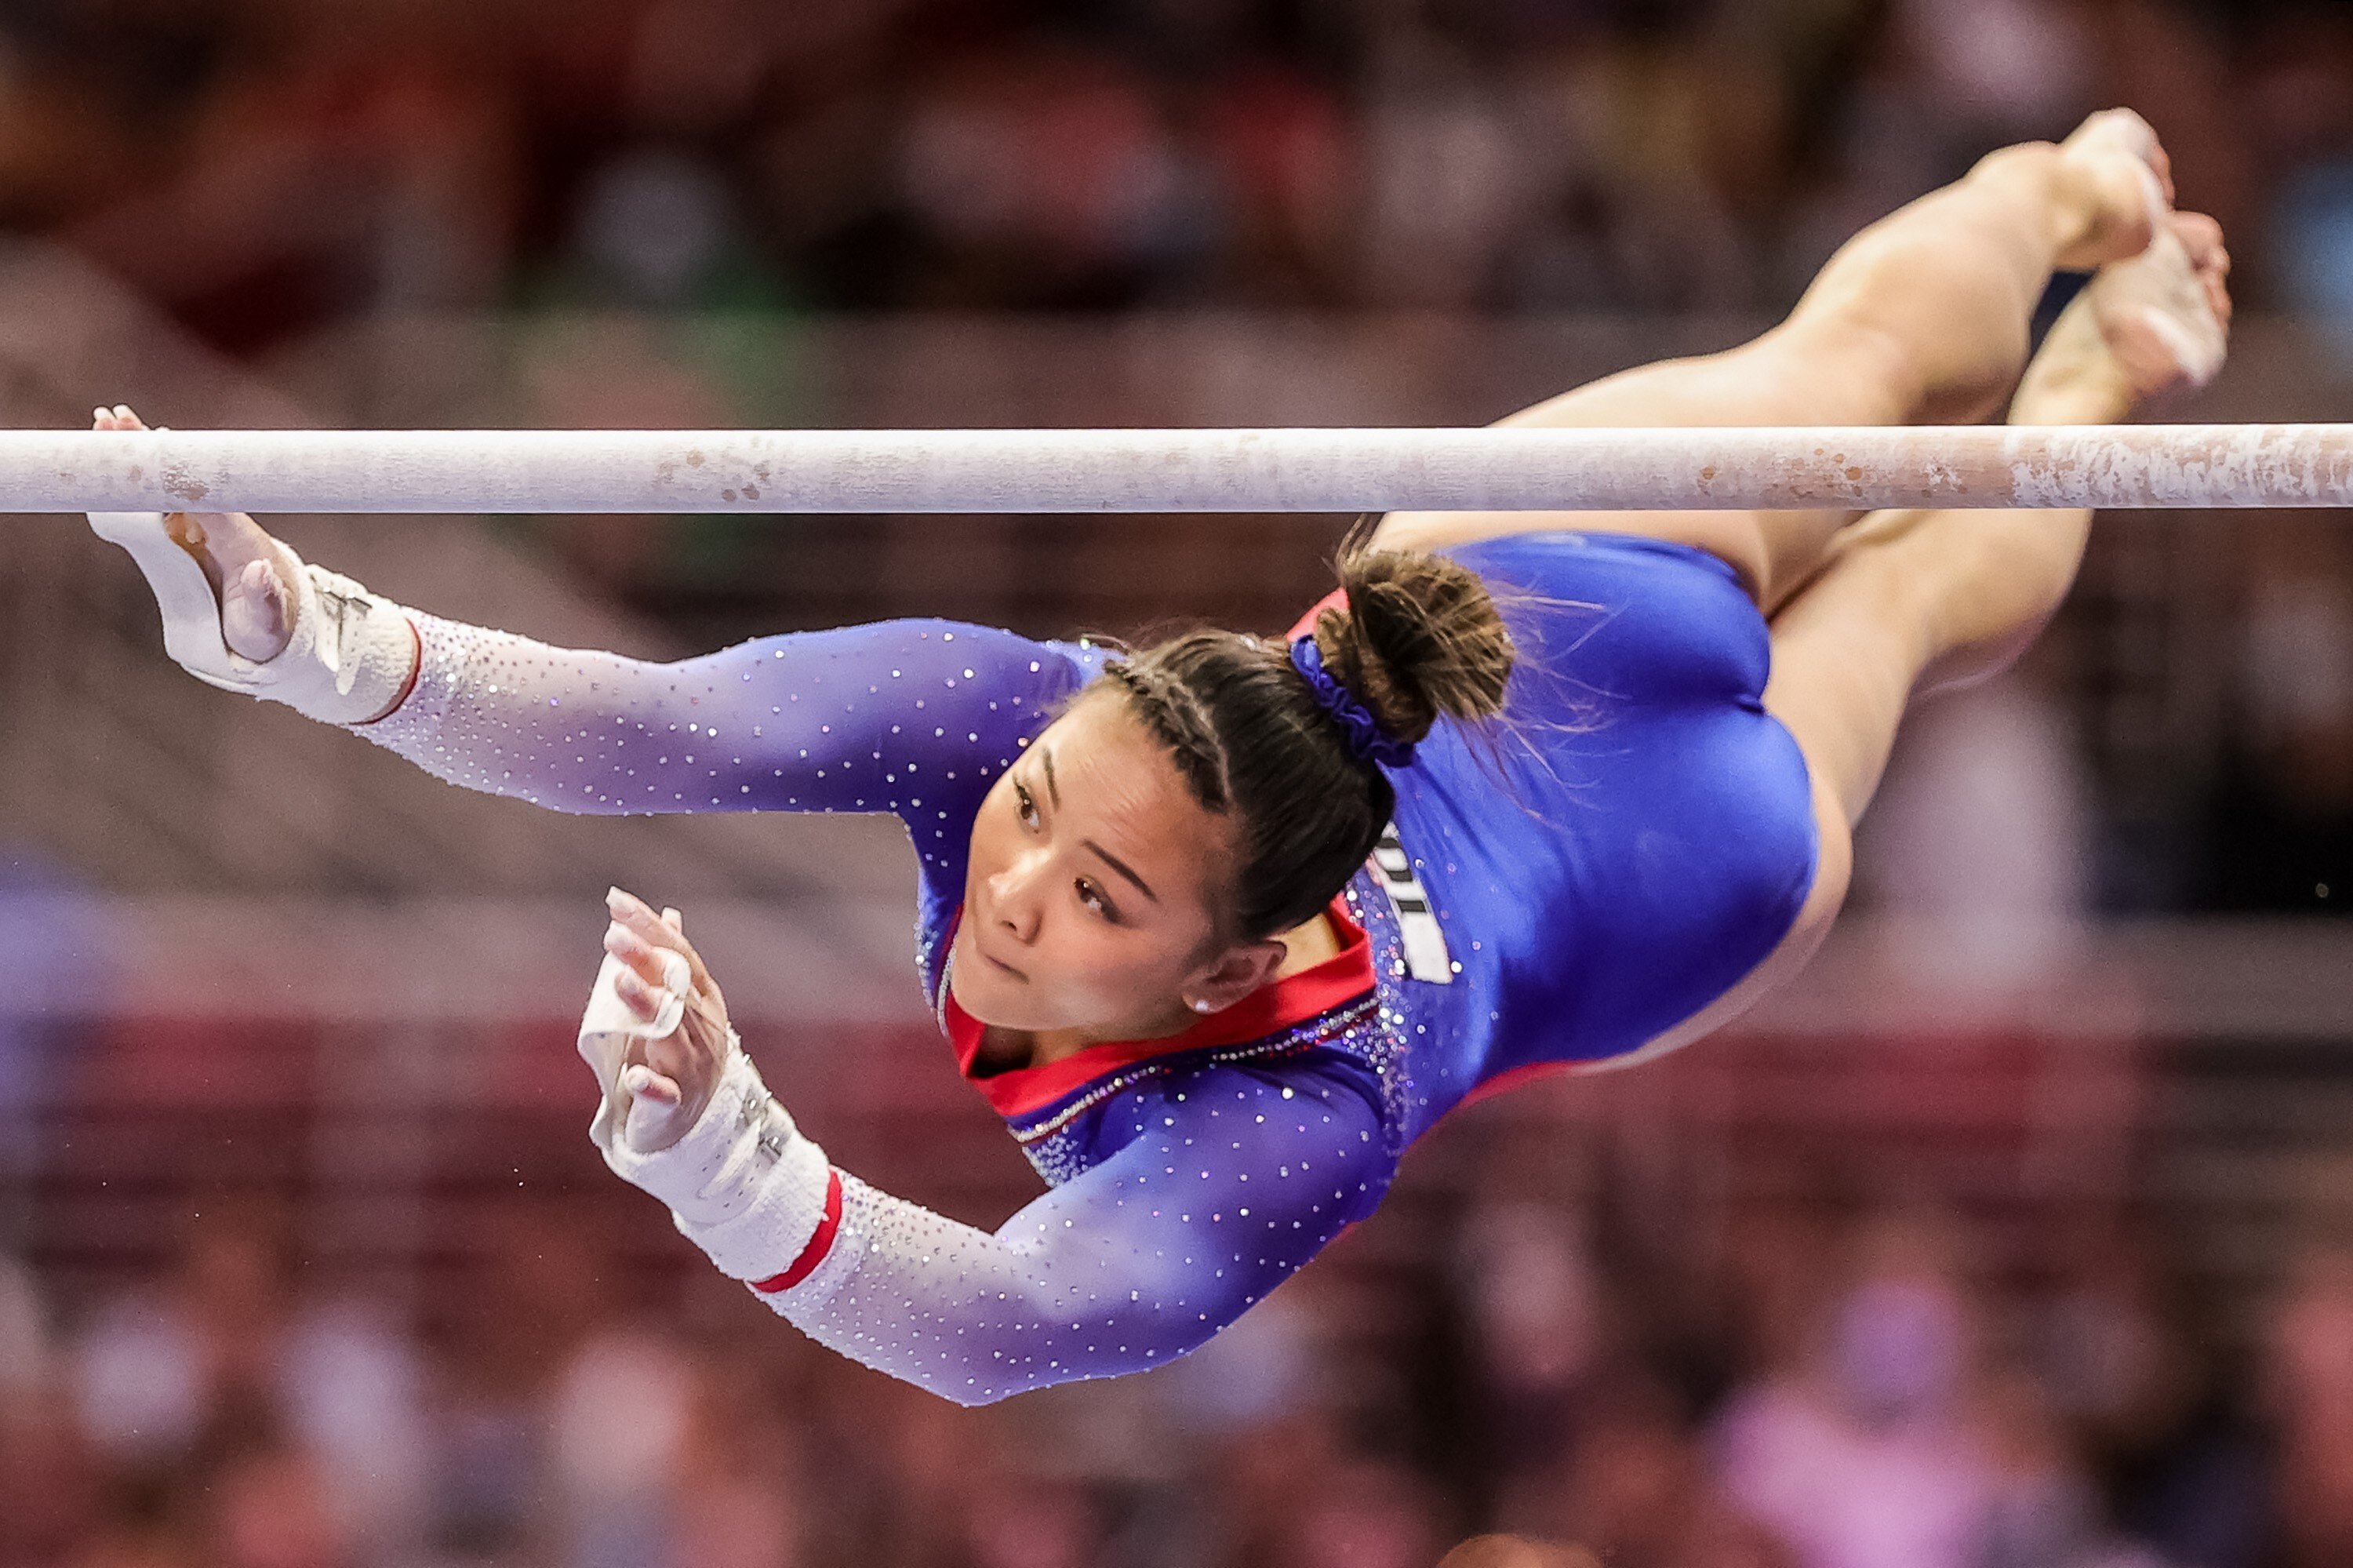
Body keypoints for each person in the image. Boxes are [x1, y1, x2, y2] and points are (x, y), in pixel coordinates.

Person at [88, 110, 2231, 1406]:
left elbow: (993, 1325)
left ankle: (2066, 237)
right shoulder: (1126, 877)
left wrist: (724, 1162)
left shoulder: (1283, 1077)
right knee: (1907, 571)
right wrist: (305, 637)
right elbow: (664, 728)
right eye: (1039, 822)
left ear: (1223, 960)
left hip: (1559, 672)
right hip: (1661, 868)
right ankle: (2089, 322)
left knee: (1854, 399)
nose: (1015, 886)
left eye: (1094, 892)